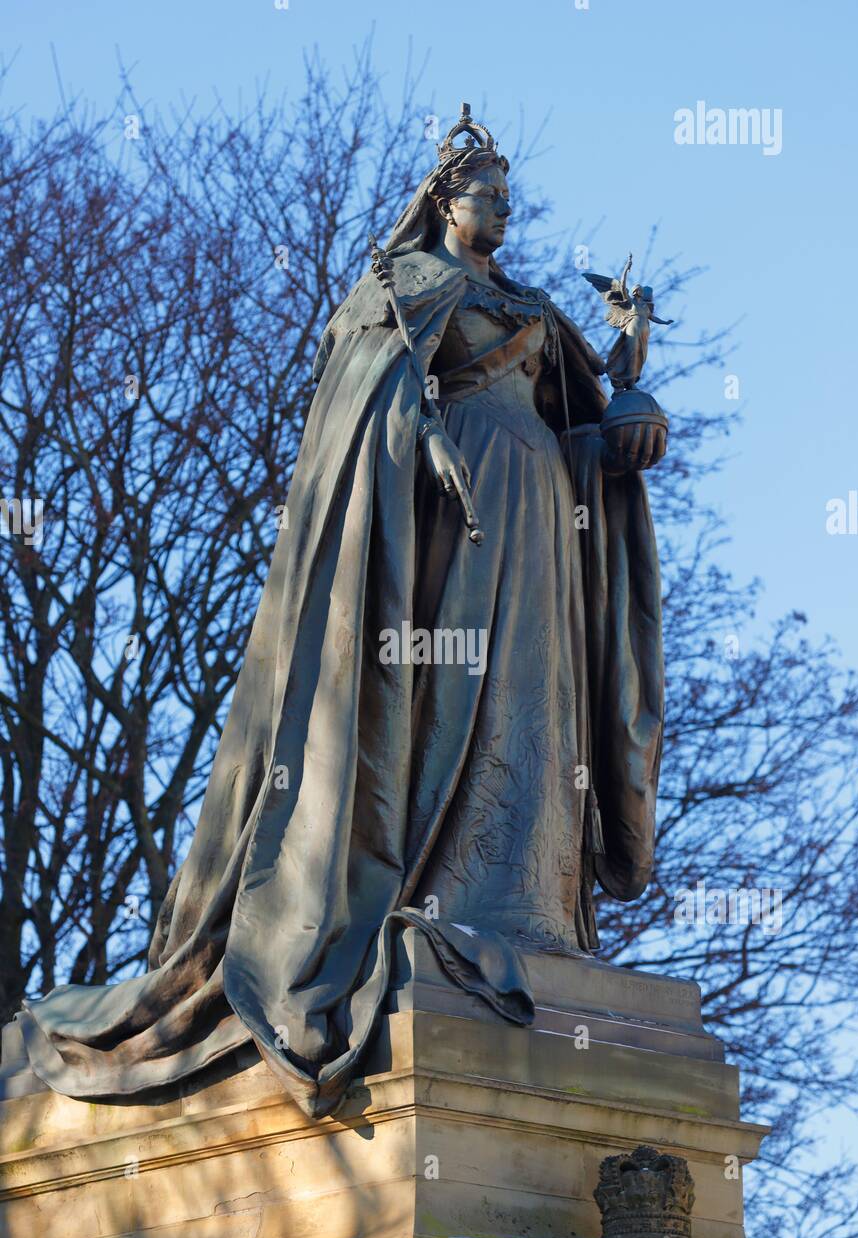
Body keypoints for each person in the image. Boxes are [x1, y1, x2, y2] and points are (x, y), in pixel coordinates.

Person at [10, 109, 664, 1119]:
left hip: (538, 522)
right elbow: (359, 412)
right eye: (487, 194)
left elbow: (572, 427)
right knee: (449, 701)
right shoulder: (394, 296)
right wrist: (416, 430)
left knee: (534, 711)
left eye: (507, 198)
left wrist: (618, 408)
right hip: (448, 529)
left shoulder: (530, 306)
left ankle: (521, 909)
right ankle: (428, 889)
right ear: (447, 202)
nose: (502, 209)